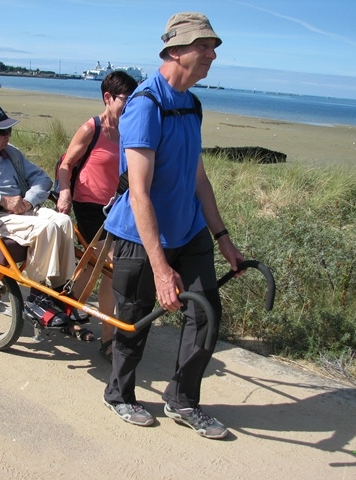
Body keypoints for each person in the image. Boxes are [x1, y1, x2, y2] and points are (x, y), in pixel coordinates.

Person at [102, 12, 245, 439]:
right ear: (175, 50)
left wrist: (223, 238)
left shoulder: (192, 104)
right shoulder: (146, 104)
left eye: (214, 47)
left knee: (207, 315)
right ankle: (120, 395)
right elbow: (140, 192)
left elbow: (199, 178)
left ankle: (182, 399)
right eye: (204, 46)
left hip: (190, 231)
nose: (211, 55)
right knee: (134, 320)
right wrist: (162, 268)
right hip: (141, 238)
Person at [0, 104, 94, 340]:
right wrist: (2, 200)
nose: (8, 136)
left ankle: (58, 293)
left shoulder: (11, 152)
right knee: (46, 228)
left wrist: (26, 201)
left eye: (9, 132)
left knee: (63, 221)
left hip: (22, 209)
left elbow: (42, 179)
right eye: (2, 132)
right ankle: (38, 296)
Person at [56, 71, 138, 361]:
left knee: (97, 269)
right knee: (109, 267)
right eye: (127, 99)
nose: (131, 105)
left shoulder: (131, 130)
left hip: (119, 208)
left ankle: (65, 309)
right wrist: (64, 193)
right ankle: (106, 337)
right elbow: (66, 165)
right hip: (89, 205)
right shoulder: (92, 128)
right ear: (108, 98)